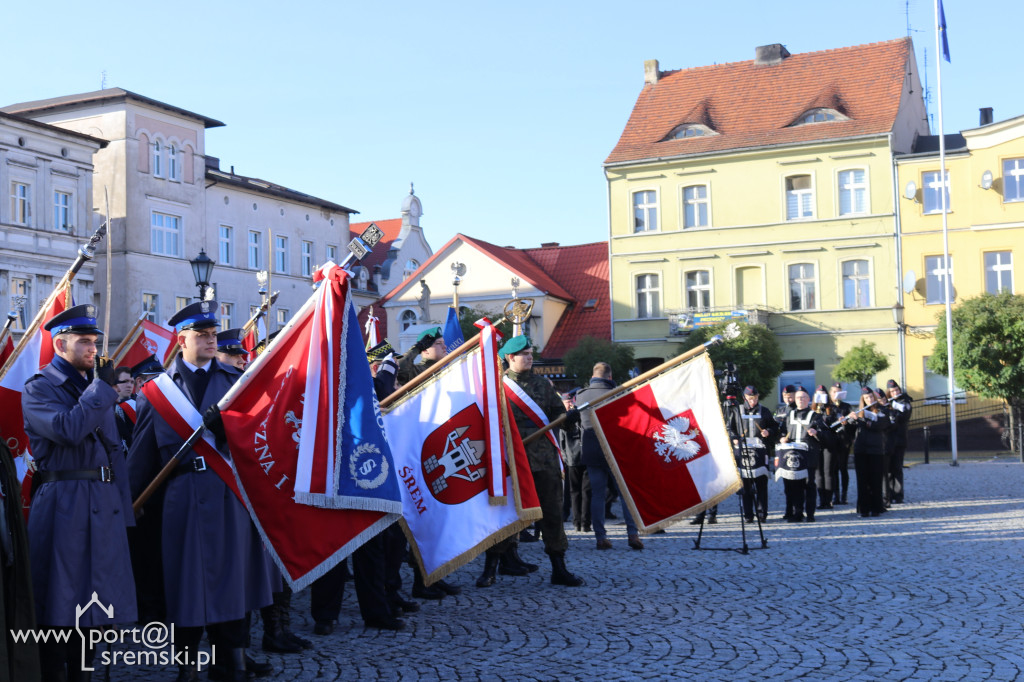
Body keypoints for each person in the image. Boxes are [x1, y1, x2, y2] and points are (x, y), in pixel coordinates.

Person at [128, 301, 274, 681]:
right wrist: (128, 502)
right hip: (181, 498)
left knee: (232, 581)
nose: (211, 341)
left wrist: (228, 431)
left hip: (228, 494)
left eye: (213, 335)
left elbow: (260, 442)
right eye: (203, 336)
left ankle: (232, 662)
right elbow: (143, 452)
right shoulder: (156, 391)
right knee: (185, 585)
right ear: (182, 340)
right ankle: (188, 667)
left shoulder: (234, 384)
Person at [22, 304, 137, 679]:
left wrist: (125, 513)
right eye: (84, 342)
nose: (93, 349)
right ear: (59, 345)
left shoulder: (93, 387)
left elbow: (115, 452)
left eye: (94, 341)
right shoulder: (40, 387)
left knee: (93, 608)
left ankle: (84, 675)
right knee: (60, 606)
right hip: (64, 503)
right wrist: (102, 390)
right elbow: (68, 430)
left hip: (103, 505)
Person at [477, 336, 584, 587]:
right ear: (509, 358)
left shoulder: (543, 385)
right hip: (511, 458)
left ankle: (559, 568)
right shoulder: (497, 386)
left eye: (530, 352)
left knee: (552, 513)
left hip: (544, 459)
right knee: (504, 514)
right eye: (523, 353)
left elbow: (557, 413)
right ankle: (490, 567)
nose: (529, 357)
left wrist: (568, 417)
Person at [577, 362, 642, 550]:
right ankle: (633, 534)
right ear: (610, 377)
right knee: (625, 495)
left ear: (593, 375)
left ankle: (600, 537)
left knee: (597, 495)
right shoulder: (618, 394)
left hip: (592, 450)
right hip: (616, 450)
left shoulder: (581, 395)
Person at [776, 387, 829, 522]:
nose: (800, 400)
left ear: (808, 399)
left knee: (809, 485)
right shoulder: (790, 415)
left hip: (809, 456)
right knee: (794, 486)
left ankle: (810, 514)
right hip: (792, 455)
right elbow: (782, 432)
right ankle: (797, 513)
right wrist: (782, 438)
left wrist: (816, 433)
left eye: (803, 397)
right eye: (798, 397)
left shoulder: (815, 416)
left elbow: (826, 436)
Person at [734, 386, 778, 523]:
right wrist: (734, 437)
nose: (753, 401)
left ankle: (761, 513)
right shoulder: (737, 411)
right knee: (746, 485)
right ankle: (748, 514)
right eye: (750, 399)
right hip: (743, 452)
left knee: (761, 485)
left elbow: (774, 426)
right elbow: (730, 428)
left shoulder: (764, 411)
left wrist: (768, 431)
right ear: (744, 398)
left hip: (760, 451)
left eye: (755, 398)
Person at [850, 387, 893, 517]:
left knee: (875, 479)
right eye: (867, 398)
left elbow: (879, 426)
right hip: (861, 449)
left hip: (876, 449)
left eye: (871, 397)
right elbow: (852, 429)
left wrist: (860, 420)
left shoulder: (883, 410)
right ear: (863, 399)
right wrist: (850, 420)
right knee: (862, 480)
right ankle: (863, 508)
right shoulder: (859, 412)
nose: (870, 400)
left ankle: (876, 507)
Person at [559, 390, 590, 533]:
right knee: (576, 492)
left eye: (572, 402)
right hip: (573, 459)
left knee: (583, 492)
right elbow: (562, 441)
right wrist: (565, 458)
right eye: (568, 402)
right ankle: (579, 522)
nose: (571, 404)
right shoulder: (566, 419)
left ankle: (583, 522)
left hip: (580, 457)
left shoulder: (577, 418)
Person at [826, 383, 854, 505]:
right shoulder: (827, 407)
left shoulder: (846, 407)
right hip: (832, 441)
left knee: (843, 468)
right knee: (833, 469)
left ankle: (844, 495)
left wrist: (846, 422)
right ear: (830, 393)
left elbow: (853, 424)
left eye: (839, 392)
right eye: (834, 392)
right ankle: (835, 495)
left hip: (843, 441)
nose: (836, 394)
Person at [886, 379, 913, 504]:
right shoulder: (887, 403)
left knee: (897, 468)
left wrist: (895, 408)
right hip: (889, 439)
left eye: (896, 390)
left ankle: (898, 494)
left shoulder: (905, 401)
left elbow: (905, 415)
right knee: (889, 468)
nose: (895, 392)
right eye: (892, 391)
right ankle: (889, 494)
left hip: (900, 439)